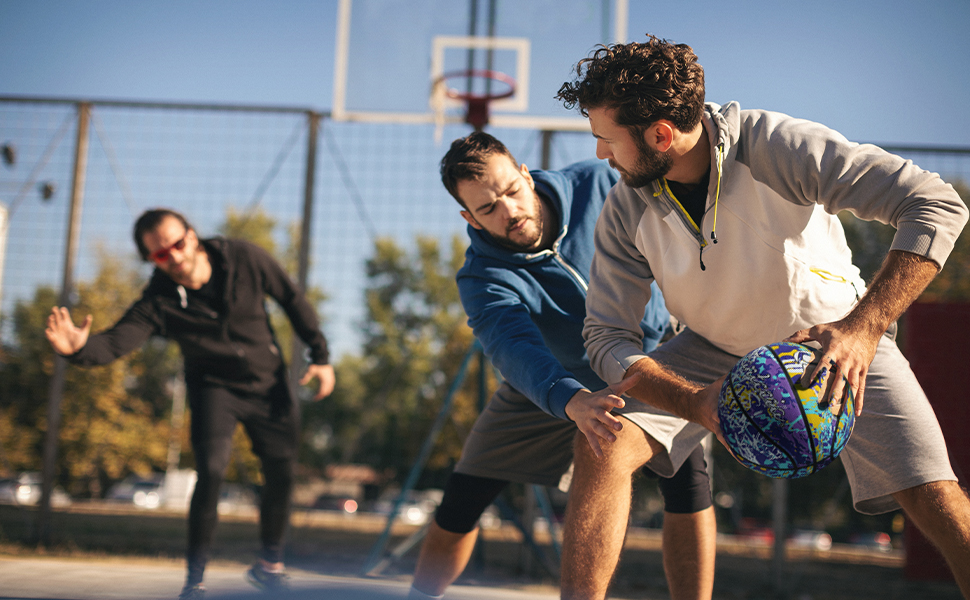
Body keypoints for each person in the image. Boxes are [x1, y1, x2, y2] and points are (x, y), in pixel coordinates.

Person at [553, 36, 970, 599]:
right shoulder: (627, 205)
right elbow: (607, 335)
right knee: (602, 437)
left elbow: (936, 203)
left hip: (833, 338)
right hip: (708, 346)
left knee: (934, 495)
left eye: (607, 139)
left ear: (660, 134)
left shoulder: (777, 145)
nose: (602, 154)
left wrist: (864, 329)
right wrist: (690, 400)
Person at [407, 132, 717, 600]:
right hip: (551, 380)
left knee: (688, 483)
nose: (509, 211)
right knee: (461, 500)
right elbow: (513, 347)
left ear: (526, 176)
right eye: (488, 209)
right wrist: (570, 398)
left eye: (511, 191)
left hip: (644, 362)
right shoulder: (483, 275)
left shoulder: (599, 183)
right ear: (469, 218)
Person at [44, 209, 336, 600]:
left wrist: (320, 354)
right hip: (213, 389)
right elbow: (117, 341)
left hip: (268, 385)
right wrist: (79, 349)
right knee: (211, 471)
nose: (175, 257)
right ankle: (194, 582)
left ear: (193, 236)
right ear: (152, 260)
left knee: (282, 473)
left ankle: (269, 565)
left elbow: (290, 297)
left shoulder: (245, 258)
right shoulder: (159, 300)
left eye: (178, 244)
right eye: (161, 255)